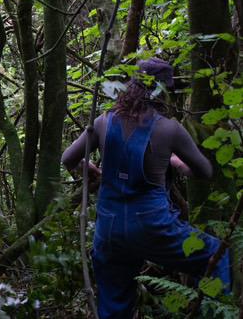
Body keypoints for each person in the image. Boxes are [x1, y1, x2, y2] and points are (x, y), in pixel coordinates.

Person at [62, 58, 231, 319]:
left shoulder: (103, 121)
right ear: (162, 91)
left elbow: (68, 159)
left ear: (132, 85)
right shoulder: (169, 129)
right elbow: (205, 171)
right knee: (217, 254)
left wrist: (92, 170)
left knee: (114, 303)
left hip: (109, 229)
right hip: (153, 226)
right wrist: (176, 162)